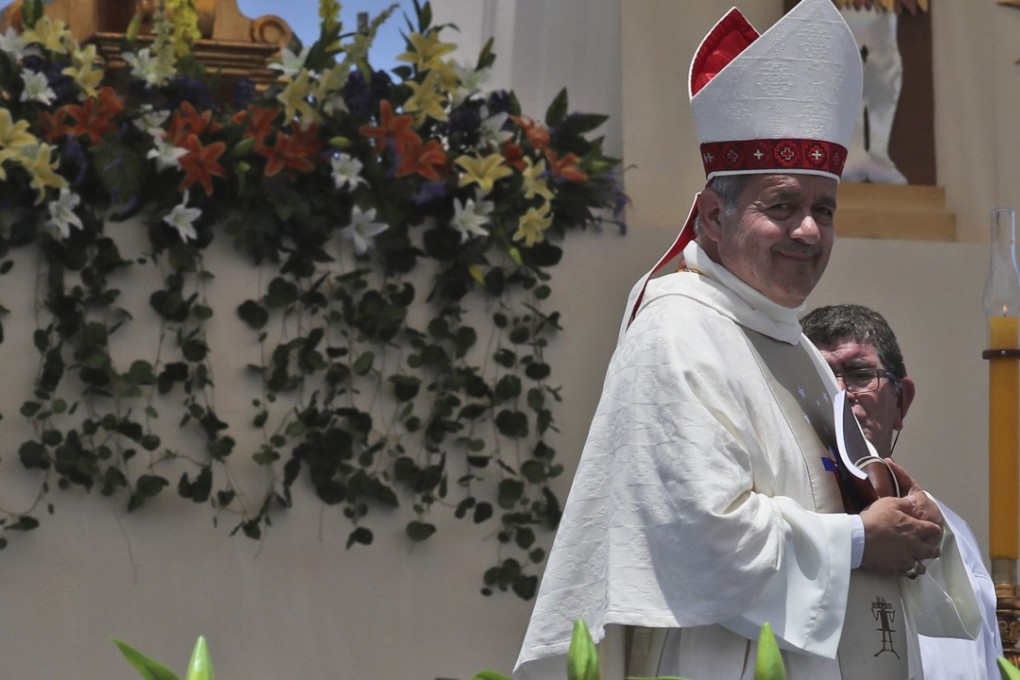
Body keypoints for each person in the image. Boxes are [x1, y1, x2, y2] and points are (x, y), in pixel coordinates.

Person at [513, 2, 982, 679]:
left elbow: (839, 488)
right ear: (711, 217)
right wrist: (858, 540)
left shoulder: (788, 343)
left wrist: (904, 512)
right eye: (781, 206)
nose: (810, 232)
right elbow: (700, 539)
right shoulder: (677, 333)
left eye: (823, 209)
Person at [802, 303, 1004, 680]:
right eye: (823, 379)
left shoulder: (953, 533)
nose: (842, 395)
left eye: (860, 375)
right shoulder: (787, 516)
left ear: (900, 402)